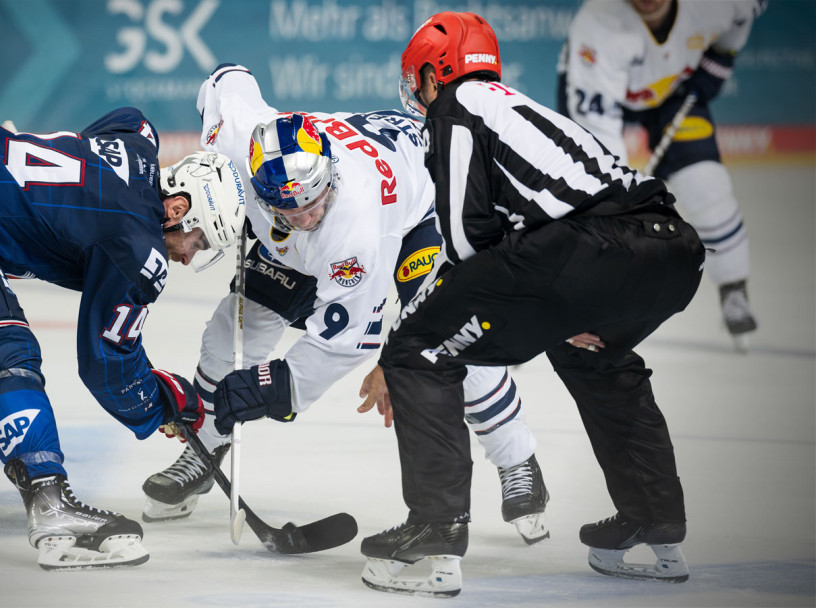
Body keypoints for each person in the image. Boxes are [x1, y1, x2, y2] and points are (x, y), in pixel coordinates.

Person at [356, 11, 705, 597]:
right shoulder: (523, 107)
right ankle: (656, 522)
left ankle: (436, 533)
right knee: (596, 358)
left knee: (417, 348)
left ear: (435, 75)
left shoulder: (458, 110)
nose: (416, 90)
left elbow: (469, 243)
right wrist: (557, 311)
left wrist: (406, 347)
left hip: (586, 256)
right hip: (670, 250)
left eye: (418, 77)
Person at [139, 63, 550, 545]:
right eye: (291, 210)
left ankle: (517, 458)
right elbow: (228, 77)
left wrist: (274, 389)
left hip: (420, 207)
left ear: (328, 173)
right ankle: (205, 450)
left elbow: (348, 339)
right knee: (232, 331)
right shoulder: (234, 143)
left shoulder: (351, 229)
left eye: (315, 201)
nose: (308, 216)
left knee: (446, 339)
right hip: (312, 224)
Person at [0, 108, 247, 570]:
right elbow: (106, 366)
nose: (185, 257)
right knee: (1, 349)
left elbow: (128, 120)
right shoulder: (138, 246)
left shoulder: (138, 144)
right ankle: (51, 504)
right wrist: (168, 402)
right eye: (197, 242)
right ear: (177, 209)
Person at [558, 0, 766, 352]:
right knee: (586, 198)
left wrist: (722, 56)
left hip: (675, 92)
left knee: (706, 187)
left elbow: (745, 13)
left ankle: (734, 289)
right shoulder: (599, 23)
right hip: (602, 97)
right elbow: (601, 137)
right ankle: (553, 302)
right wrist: (622, 199)